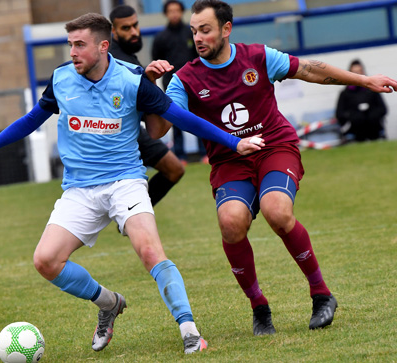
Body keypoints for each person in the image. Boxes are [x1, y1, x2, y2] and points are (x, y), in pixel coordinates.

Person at [0, 13, 262, 354]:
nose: (72, 52)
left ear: (103, 46)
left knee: (149, 251)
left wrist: (234, 143)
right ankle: (108, 303)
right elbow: (30, 121)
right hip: (79, 189)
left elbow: (180, 117)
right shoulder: (61, 80)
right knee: (45, 261)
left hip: (124, 182)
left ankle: (190, 331)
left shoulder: (131, 80)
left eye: (80, 45)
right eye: (70, 44)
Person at [148, 0, 397, 336]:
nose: (198, 38)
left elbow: (310, 69)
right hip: (229, 161)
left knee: (276, 210)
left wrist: (364, 80)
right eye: (194, 31)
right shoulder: (186, 78)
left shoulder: (258, 57)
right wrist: (151, 90)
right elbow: (158, 131)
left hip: (273, 147)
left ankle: (321, 294)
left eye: (205, 29)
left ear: (226, 28)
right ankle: (259, 307)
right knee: (230, 222)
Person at [109, 5, 186, 206]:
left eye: (135, 25)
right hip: (117, 133)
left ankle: (130, 213)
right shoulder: (116, 61)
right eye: (126, 28)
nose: (134, 32)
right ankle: (129, 214)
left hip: (134, 129)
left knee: (174, 169)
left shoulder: (128, 55)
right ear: (114, 32)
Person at [152, 0, 207, 165]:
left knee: (200, 116)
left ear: (182, 12)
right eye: (171, 11)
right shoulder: (160, 38)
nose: (174, 14)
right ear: (166, 13)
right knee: (174, 117)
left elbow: (200, 57)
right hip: (172, 83)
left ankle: (205, 153)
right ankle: (180, 156)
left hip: (195, 82)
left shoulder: (191, 34)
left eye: (177, 10)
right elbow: (156, 60)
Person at [336, 59, 387, 141]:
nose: (358, 75)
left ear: (363, 72)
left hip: (374, 128)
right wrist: (353, 115)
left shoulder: (372, 90)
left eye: (359, 72)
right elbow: (339, 114)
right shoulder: (345, 93)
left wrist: (371, 114)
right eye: (354, 73)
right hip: (355, 130)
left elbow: (383, 109)